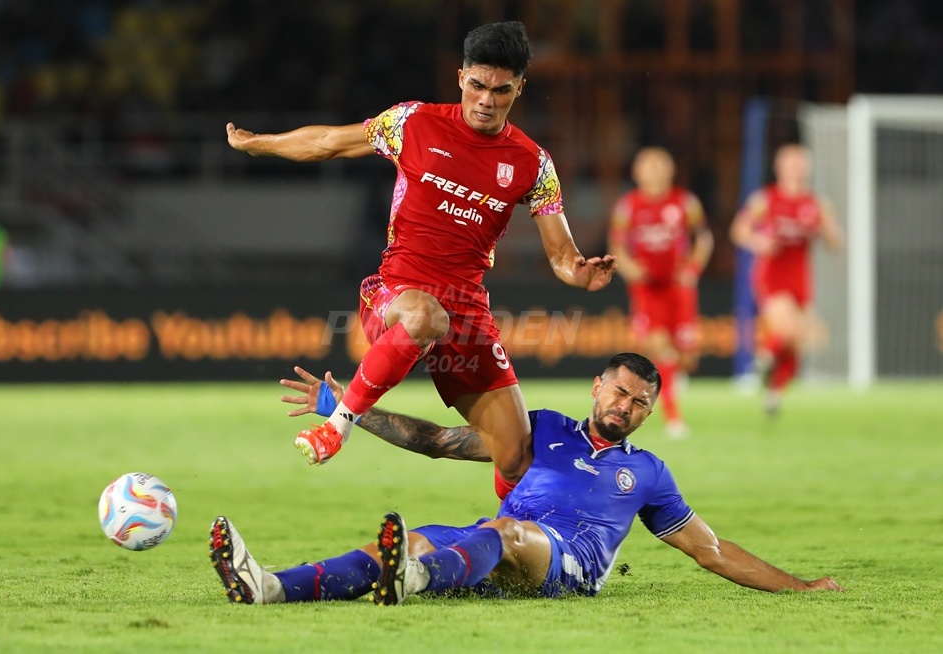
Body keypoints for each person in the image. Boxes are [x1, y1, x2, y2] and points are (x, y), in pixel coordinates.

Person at [225, 21, 615, 497]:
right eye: (477, 85)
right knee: (425, 315)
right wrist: (258, 144)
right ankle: (339, 425)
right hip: (397, 295)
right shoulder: (412, 123)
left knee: (514, 454)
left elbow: (561, 255)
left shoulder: (534, 164)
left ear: (520, 88)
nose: (487, 100)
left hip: (467, 310)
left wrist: (580, 273)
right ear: (460, 77)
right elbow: (329, 142)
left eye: (501, 90)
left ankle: (512, 550)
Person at [207, 353, 842, 605]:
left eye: (641, 403)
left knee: (504, 531)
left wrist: (804, 586)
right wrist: (346, 412)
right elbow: (436, 441)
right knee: (414, 540)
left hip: (569, 568)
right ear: (598, 387)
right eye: (620, 392)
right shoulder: (542, 429)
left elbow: (711, 550)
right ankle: (268, 587)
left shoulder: (647, 472)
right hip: (495, 543)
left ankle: (419, 577)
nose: (627, 407)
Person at [730, 144, 843, 415]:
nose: (796, 168)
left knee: (797, 344)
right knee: (793, 329)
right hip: (771, 277)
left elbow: (836, 243)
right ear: (779, 167)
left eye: (801, 163)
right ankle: (761, 360)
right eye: (791, 162)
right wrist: (760, 242)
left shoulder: (816, 204)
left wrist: (828, 232)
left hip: (800, 281)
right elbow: (739, 230)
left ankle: (773, 392)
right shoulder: (765, 200)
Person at [608, 148, 713, 438]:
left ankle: (675, 376)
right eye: (647, 166)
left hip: (678, 289)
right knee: (659, 347)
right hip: (647, 289)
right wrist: (629, 268)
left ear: (670, 170)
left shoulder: (685, 202)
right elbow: (617, 245)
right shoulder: (627, 207)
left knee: (687, 356)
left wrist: (692, 268)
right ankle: (674, 417)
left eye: (658, 165)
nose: (653, 171)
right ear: (636, 172)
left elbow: (703, 238)